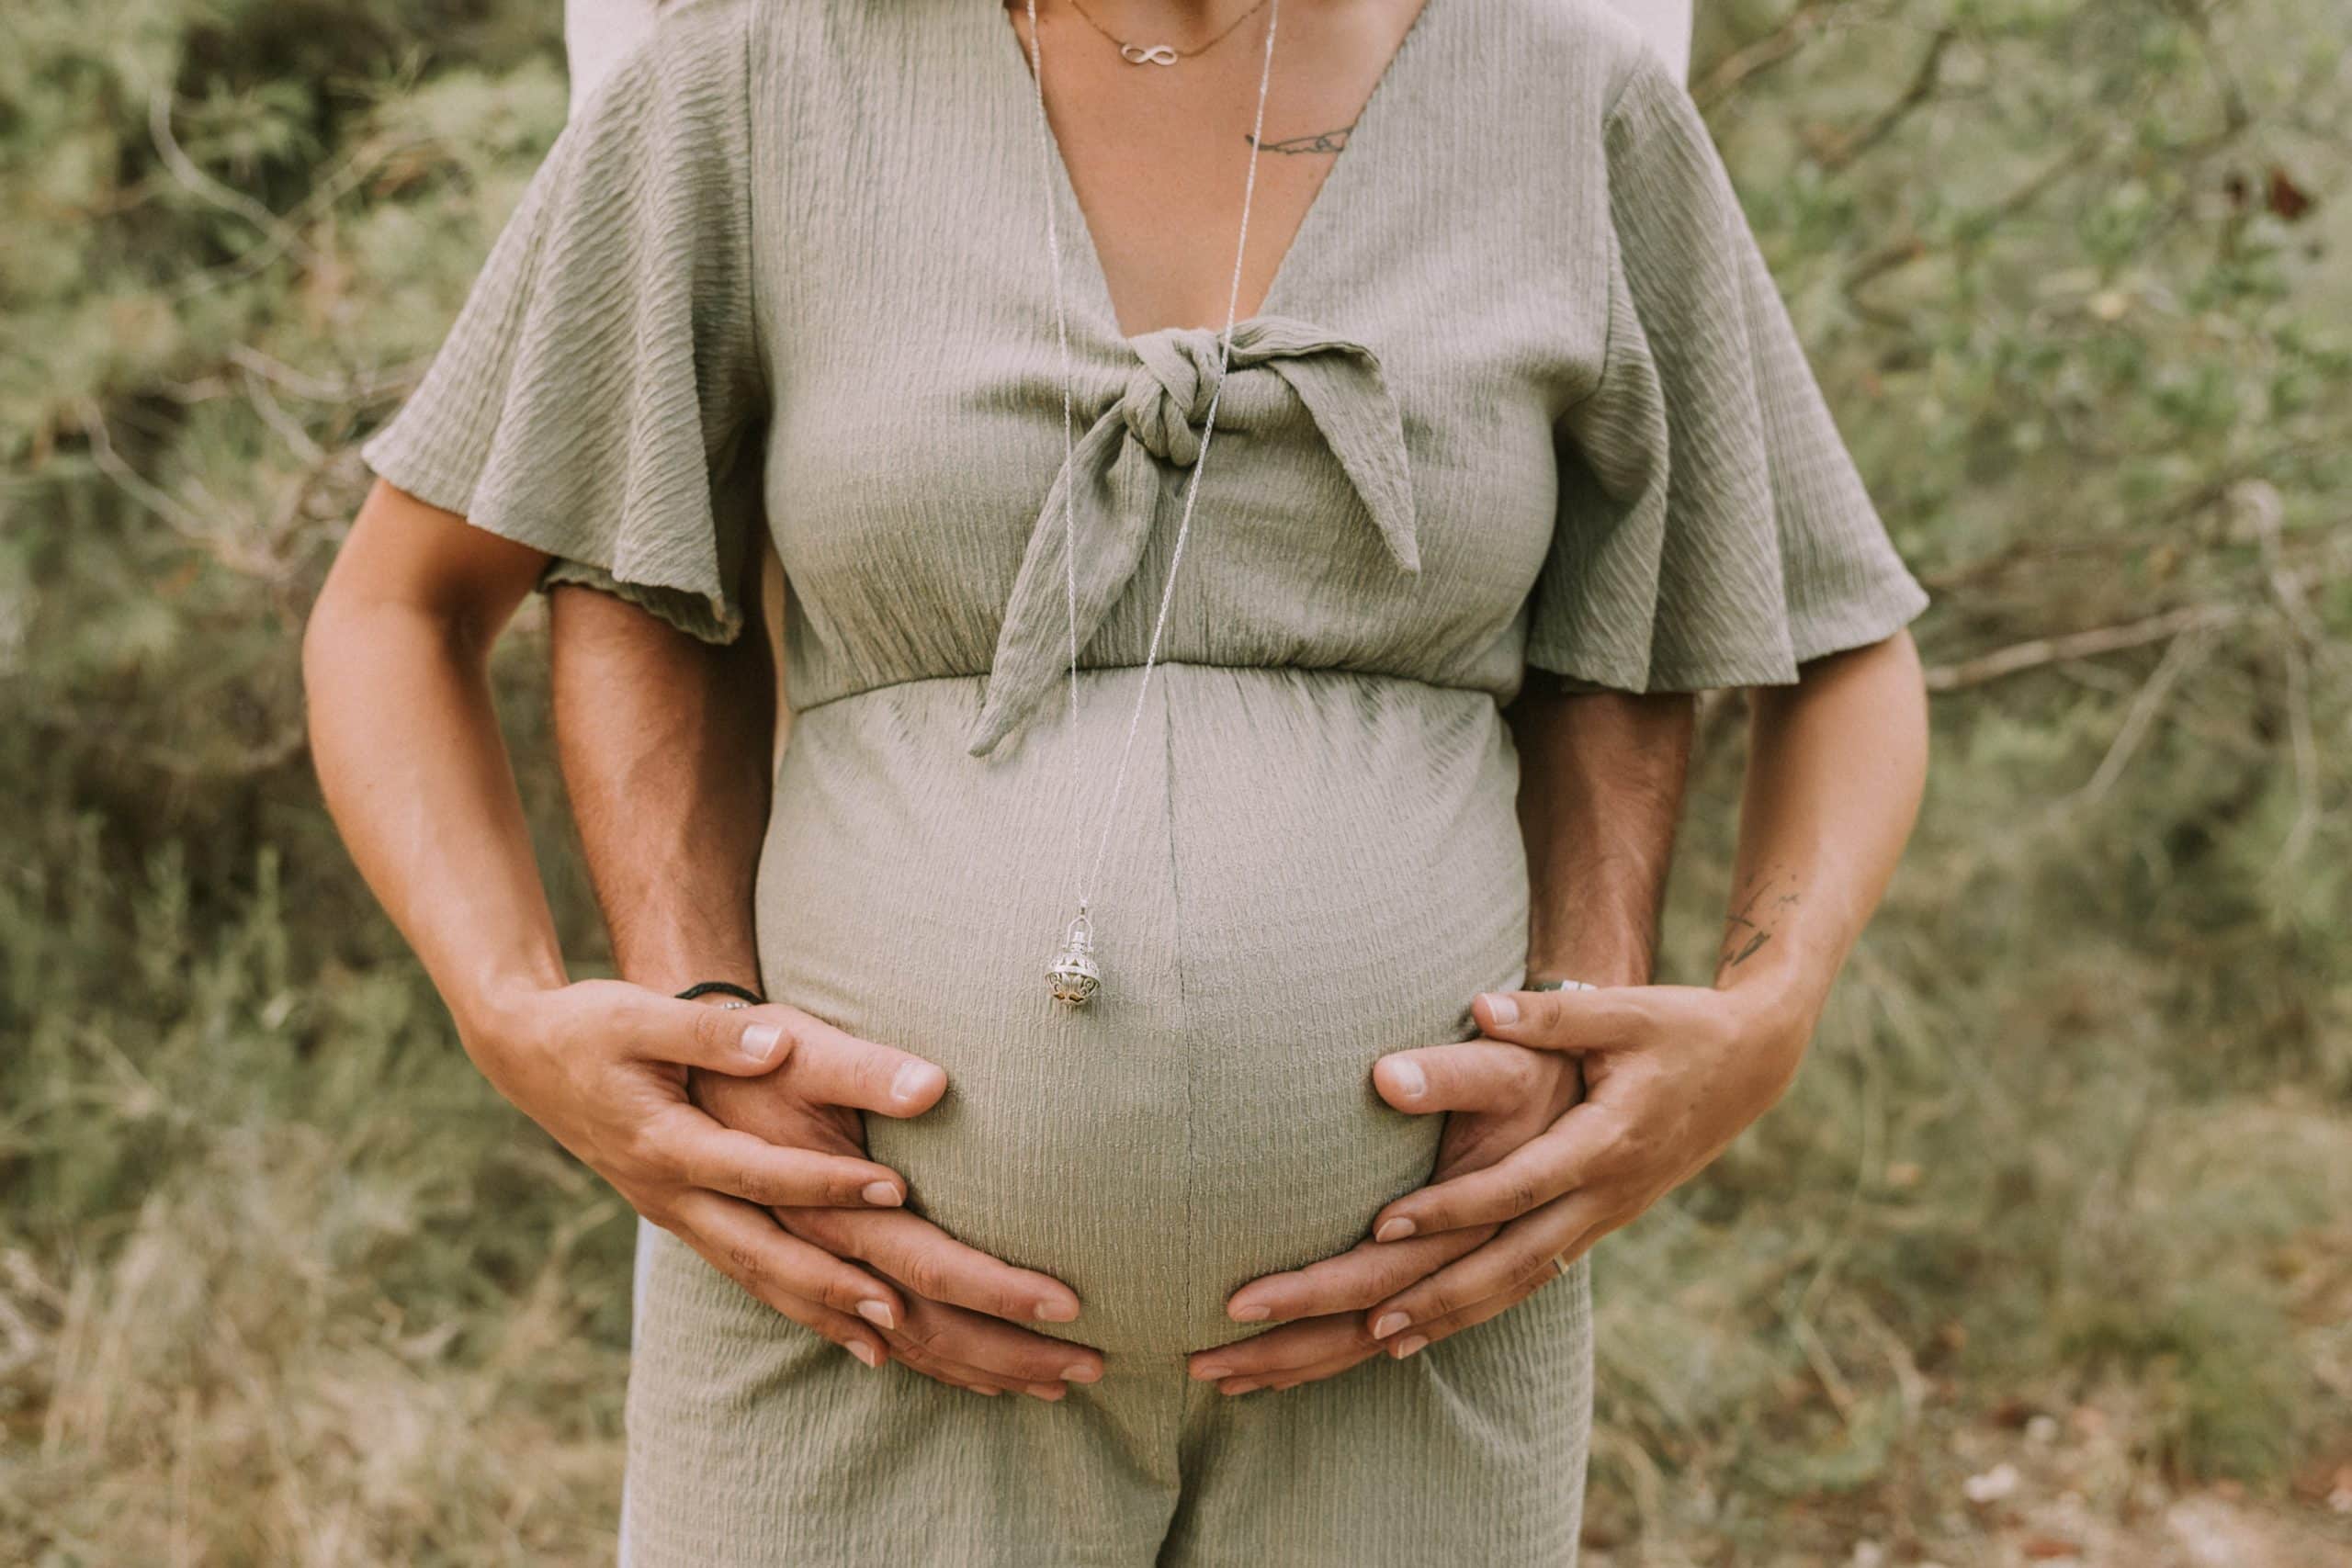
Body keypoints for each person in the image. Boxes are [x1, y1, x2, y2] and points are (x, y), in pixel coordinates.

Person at [302, 0, 1929, 1561]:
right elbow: (400, 610)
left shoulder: (1572, 96)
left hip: (1427, 1331)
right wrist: (520, 1013)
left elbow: (1841, 645)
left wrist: (1759, 1020)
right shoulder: (747, 84)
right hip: (848, 1318)